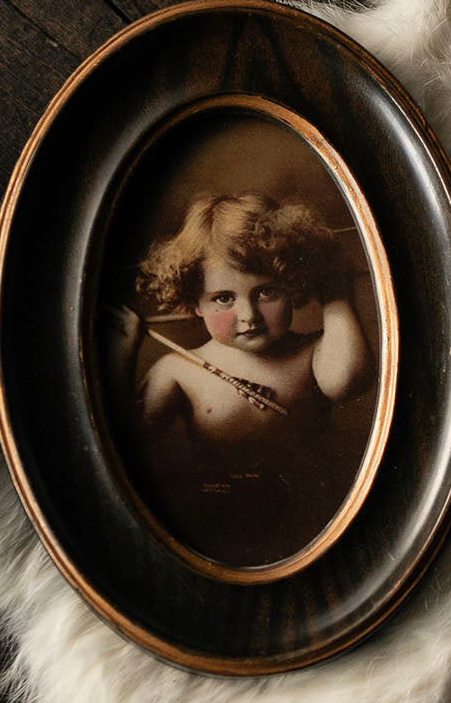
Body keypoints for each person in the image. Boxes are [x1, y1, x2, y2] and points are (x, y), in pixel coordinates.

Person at [108, 193, 375, 566]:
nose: (248, 315)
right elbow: (125, 444)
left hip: (316, 520)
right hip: (220, 527)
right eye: (223, 298)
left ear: (295, 285)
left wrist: (335, 294)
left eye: (266, 291)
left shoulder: (314, 353)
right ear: (194, 302)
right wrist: (122, 358)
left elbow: (347, 382)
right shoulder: (179, 370)